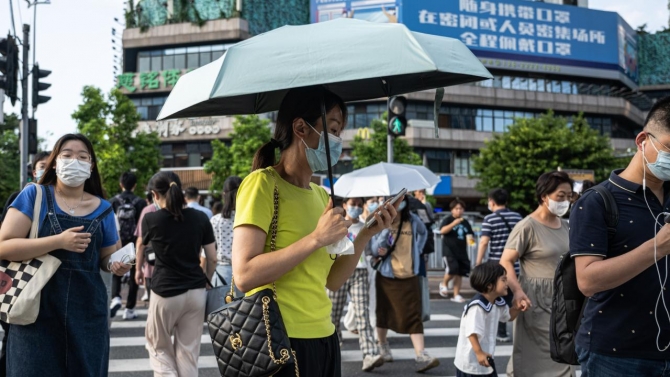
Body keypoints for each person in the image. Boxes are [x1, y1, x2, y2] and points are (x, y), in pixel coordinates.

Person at [232, 85, 397, 377]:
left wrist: (365, 234)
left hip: (324, 337)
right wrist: (315, 239)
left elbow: (333, 280)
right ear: (300, 128)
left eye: (340, 132)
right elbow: (244, 274)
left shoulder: (322, 196)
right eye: (333, 130)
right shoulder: (262, 184)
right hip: (279, 341)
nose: (338, 141)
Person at [0, 133, 130, 376]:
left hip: (88, 314)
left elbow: (106, 258)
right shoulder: (34, 195)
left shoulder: (104, 208)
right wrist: (58, 241)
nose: (74, 161)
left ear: (90, 166)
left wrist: (117, 265)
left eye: (82, 157)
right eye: (67, 155)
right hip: (35, 311)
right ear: (55, 162)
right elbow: (4, 245)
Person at [570, 97, 670, 375]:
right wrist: (657, 248)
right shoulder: (596, 201)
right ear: (642, 140)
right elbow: (588, 281)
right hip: (615, 354)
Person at [499, 171, 575, 377]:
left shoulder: (567, 225)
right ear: (544, 196)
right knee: (535, 358)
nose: (566, 201)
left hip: (563, 300)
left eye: (569, 196)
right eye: (561, 196)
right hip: (534, 299)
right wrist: (517, 292)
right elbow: (505, 261)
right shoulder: (527, 226)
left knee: (562, 354)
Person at [141, 171, 217, 376]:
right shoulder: (201, 217)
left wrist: (137, 269)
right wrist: (206, 278)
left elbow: (142, 245)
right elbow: (212, 257)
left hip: (165, 292)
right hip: (196, 292)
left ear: (155, 195)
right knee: (188, 354)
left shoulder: (151, 219)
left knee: (159, 349)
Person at [370, 196, 440, 373]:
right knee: (384, 312)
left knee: (413, 315)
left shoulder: (413, 219)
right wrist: (386, 229)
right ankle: (383, 346)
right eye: (393, 201)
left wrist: (419, 249)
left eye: (400, 201)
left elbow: (424, 233)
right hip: (387, 275)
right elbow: (375, 248)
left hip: (410, 274)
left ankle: (421, 354)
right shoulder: (380, 221)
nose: (397, 205)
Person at [0, 150, 50, 376]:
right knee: (14, 335)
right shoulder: (22, 197)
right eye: (43, 165)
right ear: (34, 170)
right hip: (19, 278)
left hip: (46, 282)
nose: (47, 169)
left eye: (52, 165)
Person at [328, 197, 384, 372]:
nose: (356, 208)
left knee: (362, 313)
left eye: (360, 205)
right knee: (333, 315)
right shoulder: (337, 225)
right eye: (353, 204)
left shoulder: (366, 226)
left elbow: (372, 249)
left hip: (360, 272)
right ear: (344, 205)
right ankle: (333, 350)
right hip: (338, 271)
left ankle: (369, 354)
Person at [454, 262, 521, 377]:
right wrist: (479, 353)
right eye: (503, 280)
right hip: (471, 363)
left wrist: (517, 307)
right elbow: (471, 333)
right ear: (490, 285)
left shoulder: (498, 302)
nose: (507, 283)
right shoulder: (477, 307)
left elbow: (508, 317)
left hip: (486, 357)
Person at [475, 188, 523, 342]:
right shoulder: (518, 217)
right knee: (513, 296)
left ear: (492, 201)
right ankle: (517, 332)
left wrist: (478, 263)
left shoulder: (490, 219)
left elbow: (484, 242)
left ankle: (500, 332)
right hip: (515, 266)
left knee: (497, 298)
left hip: (496, 267)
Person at [109, 171, 147, 319]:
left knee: (116, 268)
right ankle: (129, 309)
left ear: (121, 184)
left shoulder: (113, 201)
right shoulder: (141, 202)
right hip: (134, 242)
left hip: (117, 241)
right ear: (135, 185)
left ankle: (116, 297)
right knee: (133, 275)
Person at [439, 198, 475, 303]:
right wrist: (454, 223)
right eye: (456, 208)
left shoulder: (465, 222)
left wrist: (472, 242)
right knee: (452, 269)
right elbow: (442, 231)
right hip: (449, 250)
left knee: (460, 273)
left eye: (461, 209)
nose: (459, 211)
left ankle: (456, 294)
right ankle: (444, 284)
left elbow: (470, 234)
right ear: (452, 210)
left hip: (462, 251)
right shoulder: (448, 219)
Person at [210, 176, 242, 287]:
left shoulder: (216, 221)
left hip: (222, 272)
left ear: (224, 195)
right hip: (245, 273)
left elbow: (209, 256)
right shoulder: (250, 220)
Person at [135, 191, 157, 302]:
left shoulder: (148, 211)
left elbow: (140, 242)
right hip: (179, 271)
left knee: (154, 311)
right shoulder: (183, 211)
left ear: (155, 194)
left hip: (153, 267)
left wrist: (138, 269)